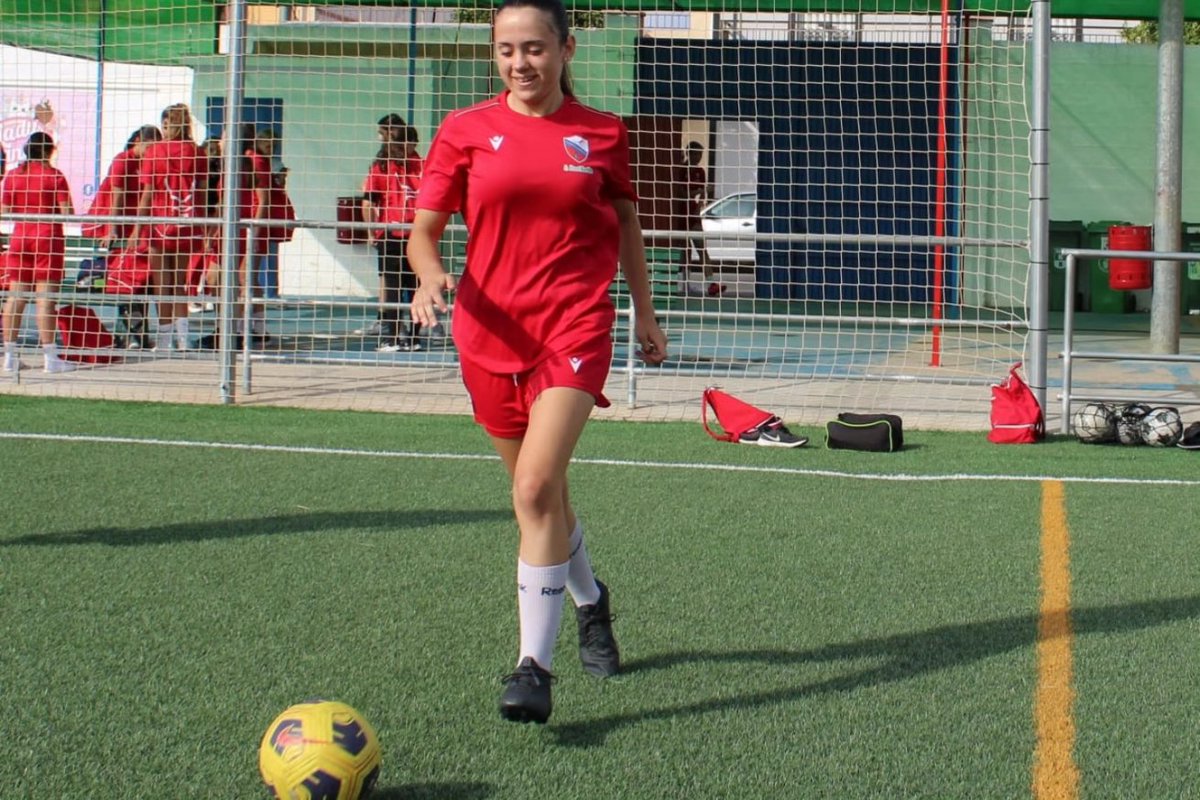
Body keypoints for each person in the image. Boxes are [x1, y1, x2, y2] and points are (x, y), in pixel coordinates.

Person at [407, 0, 668, 725]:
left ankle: (534, 667)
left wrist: (645, 310)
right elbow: (422, 232)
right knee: (542, 500)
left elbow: (624, 224)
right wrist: (429, 276)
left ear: (565, 49)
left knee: (533, 488)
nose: (521, 63)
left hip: (574, 328)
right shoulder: (464, 132)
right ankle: (591, 602)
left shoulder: (601, 133)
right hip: (487, 335)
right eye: (507, 51)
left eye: (536, 48)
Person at [129, 103, 209, 352]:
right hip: (188, 225)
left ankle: (164, 339)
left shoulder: (155, 153)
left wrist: (136, 229)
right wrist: (206, 225)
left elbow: (147, 194)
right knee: (180, 283)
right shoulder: (196, 153)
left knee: (162, 284)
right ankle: (183, 338)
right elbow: (204, 192)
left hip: (159, 226)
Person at [1, 132, 76, 374]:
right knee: (45, 301)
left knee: (15, 298)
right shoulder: (54, 176)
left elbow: (5, 210)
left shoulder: (14, 176)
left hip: (21, 239)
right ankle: (50, 358)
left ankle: (10, 356)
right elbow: (67, 213)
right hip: (47, 240)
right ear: (48, 151)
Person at [360, 114, 423, 351]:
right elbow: (368, 203)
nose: (405, 149)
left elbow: (368, 203)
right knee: (405, 286)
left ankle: (401, 337)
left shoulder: (415, 166)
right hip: (402, 234)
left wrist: (372, 233)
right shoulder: (386, 166)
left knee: (402, 286)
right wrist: (372, 232)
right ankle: (403, 337)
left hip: (405, 233)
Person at [678, 141, 721, 296]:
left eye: (701, 154)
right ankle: (684, 284)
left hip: (694, 216)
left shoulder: (701, 172)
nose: (699, 157)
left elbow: (702, 195)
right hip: (680, 215)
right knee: (685, 250)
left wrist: (699, 207)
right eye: (697, 153)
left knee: (702, 249)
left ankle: (711, 284)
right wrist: (698, 190)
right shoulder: (682, 170)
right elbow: (681, 194)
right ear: (690, 154)